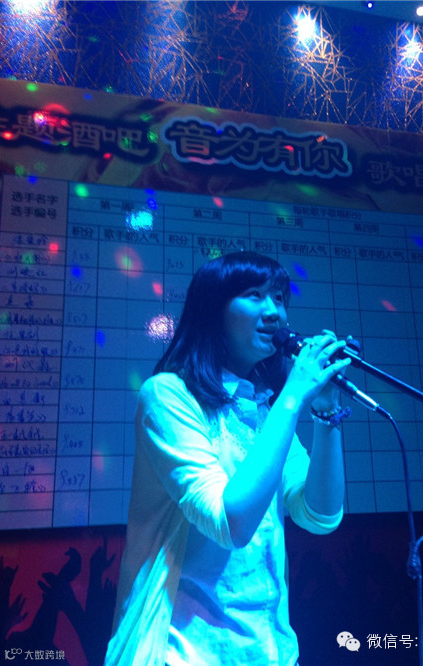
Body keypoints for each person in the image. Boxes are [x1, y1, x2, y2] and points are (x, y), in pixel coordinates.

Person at [104, 251, 351, 666]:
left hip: (272, 651)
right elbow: (228, 523)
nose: (273, 311)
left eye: (279, 297)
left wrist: (326, 413)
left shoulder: (265, 408)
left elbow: (319, 516)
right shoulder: (167, 396)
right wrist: (293, 395)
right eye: (254, 295)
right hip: (184, 652)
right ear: (214, 309)